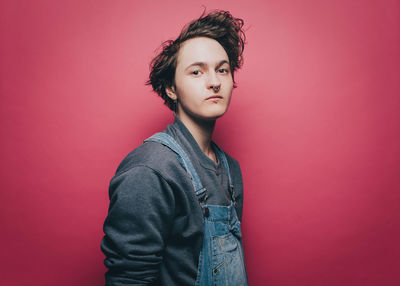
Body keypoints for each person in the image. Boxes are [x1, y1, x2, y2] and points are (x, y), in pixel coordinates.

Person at [100, 8, 248, 285]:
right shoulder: (151, 169)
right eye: (196, 72)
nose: (214, 82)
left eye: (222, 70)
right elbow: (129, 279)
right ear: (171, 88)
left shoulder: (231, 169)